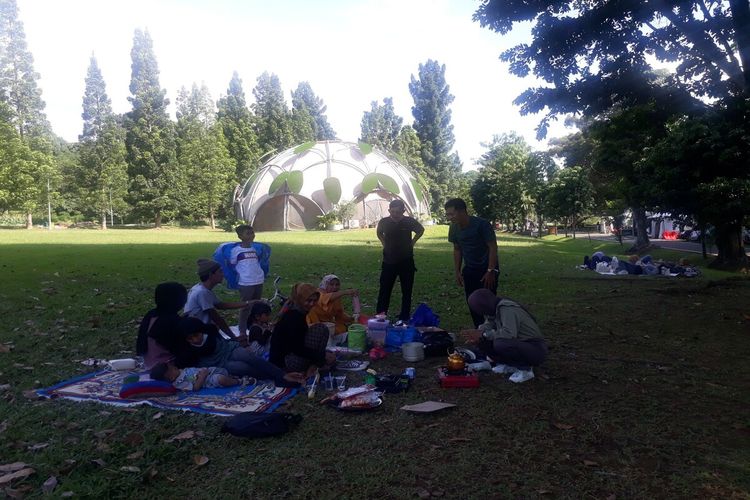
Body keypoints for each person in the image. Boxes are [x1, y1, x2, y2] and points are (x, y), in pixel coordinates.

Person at [175, 317, 305, 388]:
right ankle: (274, 377)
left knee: (248, 356)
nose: (195, 339)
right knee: (242, 367)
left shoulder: (209, 330)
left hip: (228, 349)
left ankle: (281, 374)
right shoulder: (187, 348)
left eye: (196, 335)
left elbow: (221, 342)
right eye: (190, 338)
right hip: (220, 362)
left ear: (200, 330)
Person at [466, 289, 547, 383]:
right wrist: (477, 334)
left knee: (501, 343)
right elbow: (488, 324)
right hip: (520, 344)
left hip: (535, 348)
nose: (480, 312)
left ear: (485, 305)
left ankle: (525, 370)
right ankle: (509, 364)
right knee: (483, 341)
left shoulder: (507, 309)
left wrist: (484, 334)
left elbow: (508, 333)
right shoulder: (494, 308)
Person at [445, 198, 499, 327]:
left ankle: (494, 331)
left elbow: (493, 247)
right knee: (472, 301)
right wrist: (457, 271)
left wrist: (490, 270)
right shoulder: (454, 228)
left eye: (452, 214)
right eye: (447, 214)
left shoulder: (482, 224)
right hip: (470, 269)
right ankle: (479, 329)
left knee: (488, 302)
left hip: (487, 269)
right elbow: (457, 249)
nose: (449, 218)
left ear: (463, 211)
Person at [269, 283, 336, 377]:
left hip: (288, 356)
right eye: (308, 300)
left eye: (314, 301)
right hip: (286, 362)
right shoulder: (294, 317)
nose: (312, 304)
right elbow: (297, 348)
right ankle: (313, 367)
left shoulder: (297, 311)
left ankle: (314, 364)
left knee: (320, 330)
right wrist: (322, 357)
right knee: (321, 329)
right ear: (300, 299)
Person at [375, 199, 424, 322]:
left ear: (403, 211)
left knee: (407, 291)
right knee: (384, 290)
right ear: (389, 210)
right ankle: (381, 315)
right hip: (388, 261)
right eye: (393, 211)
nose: (395, 214)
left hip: (406, 261)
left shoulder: (409, 221)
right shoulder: (384, 222)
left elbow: (420, 230)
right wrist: (384, 243)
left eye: (398, 212)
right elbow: (379, 232)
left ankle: (404, 316)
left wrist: (412, 242)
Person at [184, 259, 251, 344]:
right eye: (220, 272)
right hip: (199, 335)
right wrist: (234, 338)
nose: (223, 274)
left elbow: (221, 305)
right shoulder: (202, 292)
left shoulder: (201, 288)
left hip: (204, 331)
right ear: (211, 275)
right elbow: (217, 319)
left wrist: (248, 303)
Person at [136, 282, 188, 370]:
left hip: (148, 362)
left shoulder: (151, 314)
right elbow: (180, 349)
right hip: (167, 368)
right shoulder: (172, 321)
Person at [230, 225, 269, 339]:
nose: (252, 235)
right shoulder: (236, 251)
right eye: (248, 233)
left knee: (256, 305)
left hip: (258, 279)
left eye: (252, 232)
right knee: (245, 306)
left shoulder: (254, 249)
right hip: (246, 282)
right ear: (240, 236)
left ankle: (254, 327)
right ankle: (242, 330)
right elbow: (232, 264)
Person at [150, 361, 241, 391]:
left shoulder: (179, 373)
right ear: (172, 377)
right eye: (173, 369)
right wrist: (203, 376)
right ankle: (239, 381)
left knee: (223, 370)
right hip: (208, 380)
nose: (175, 367)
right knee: (220, 379)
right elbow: (196, 387)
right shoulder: (179, 383)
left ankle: (231, 377)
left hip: (208, 371)